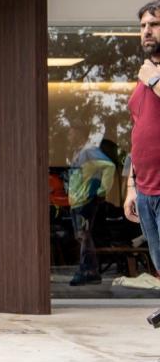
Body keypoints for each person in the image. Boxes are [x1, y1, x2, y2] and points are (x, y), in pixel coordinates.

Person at [124, 0, 160, 362]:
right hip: (148, 192)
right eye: (143, 26)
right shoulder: (143, 76)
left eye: (154, 24)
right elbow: (139, 132)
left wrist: (153, 78)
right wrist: (131, 185)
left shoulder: (150, 75)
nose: (146, 32)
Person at [65, 122, 115, 286]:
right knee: (82, 236)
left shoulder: (89, 151)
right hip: (77, 201)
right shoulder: (78, 152)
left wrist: (102, 190)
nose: (68, 136)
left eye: (71, 133)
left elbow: (109, 166)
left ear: (79, 133)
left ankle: (86, 271)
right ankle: (91, 272)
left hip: (85, 201)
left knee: (84, 236)